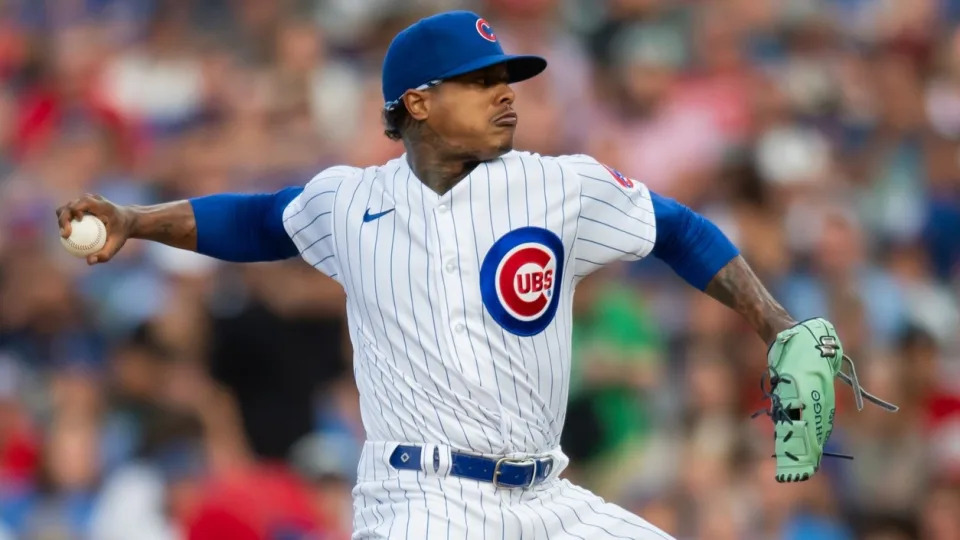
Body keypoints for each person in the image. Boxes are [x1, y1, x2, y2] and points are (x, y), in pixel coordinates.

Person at [57, 11, 808, 540]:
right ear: (417, 102)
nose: (506, 92)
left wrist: (775, 320)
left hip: (548, 496)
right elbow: (252, 221)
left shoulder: (559, 187)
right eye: (481, 81)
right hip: (420, 498)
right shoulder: (349, 201)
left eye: (507, 78)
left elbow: (679, 228)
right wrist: (133, 218)